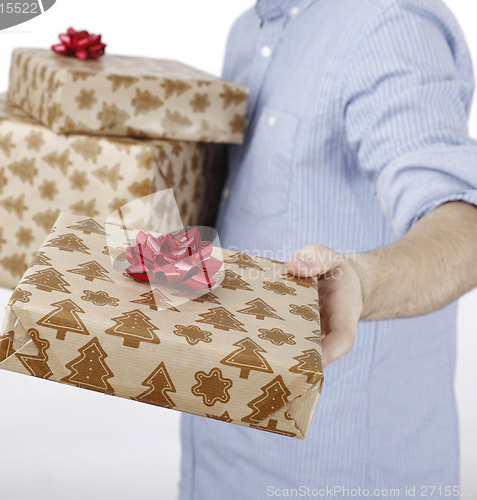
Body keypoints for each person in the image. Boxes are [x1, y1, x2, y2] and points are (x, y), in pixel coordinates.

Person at [179, 0, 477, 498]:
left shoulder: (390, 25)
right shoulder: (249, 30)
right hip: (220, 448)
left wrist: (362, 280)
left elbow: (464, 222)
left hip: (335, 470)